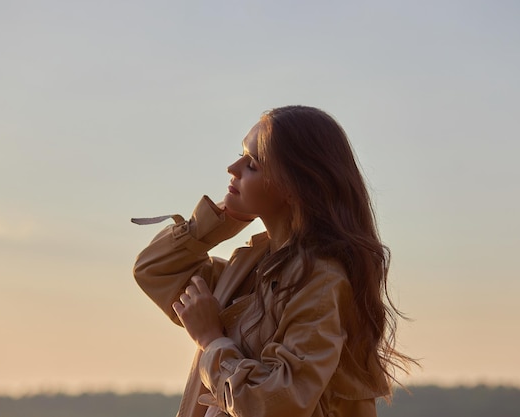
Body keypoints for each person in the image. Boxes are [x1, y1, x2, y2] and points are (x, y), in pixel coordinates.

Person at [132, 105, 414, 417]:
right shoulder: (250, 267)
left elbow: (280, 404)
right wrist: (218, 222)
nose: (233, 168)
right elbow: (154, 270)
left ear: (294, 188)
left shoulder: (321, 281)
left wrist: (211, 341)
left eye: (252, 163)